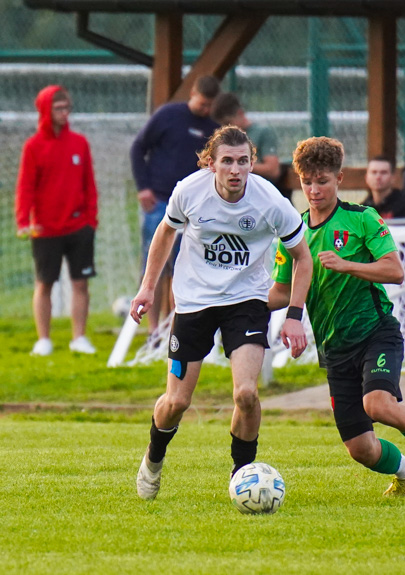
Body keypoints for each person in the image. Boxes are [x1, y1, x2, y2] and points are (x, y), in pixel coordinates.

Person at [270, 136, 405, 497]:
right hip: (335, 349)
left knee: (378, 404)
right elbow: (281, 291)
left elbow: (395, 271)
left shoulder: (362, 218)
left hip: (375, 332)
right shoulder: (294, 233)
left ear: (339, 178)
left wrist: (347, 265)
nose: (314, 190)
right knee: (360, 449)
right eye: (307, 182)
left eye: (322, 181)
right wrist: (237, 308)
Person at [131, 126, 312, 500]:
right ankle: (153, 459)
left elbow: (303, 258)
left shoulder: (270, 201)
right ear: (210, 163)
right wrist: (148, 287)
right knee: (177, 402)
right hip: (194, 301)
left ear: (251, 163)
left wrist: (294, 315)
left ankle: (242, 476)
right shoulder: (189, 191)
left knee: (246, 394)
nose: (235, 170)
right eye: (227, 161)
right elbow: (165, 233)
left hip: (246, 301)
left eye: (243, 161)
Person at [130, 75, 221, 335]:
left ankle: (175, 326)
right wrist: (143, 187)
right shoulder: (168, 115)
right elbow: (138, 148)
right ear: (193, 93)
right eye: (201, 104)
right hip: (158, 202)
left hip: (192, 210)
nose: (204, 110)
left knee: (182, 267)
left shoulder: (213, 129)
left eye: (209, 106)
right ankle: (153, 328)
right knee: (154, 264)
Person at [16, 85, 99, 356]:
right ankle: (44, 340)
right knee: (45, 283)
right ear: (45, 110)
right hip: (45, 228)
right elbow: (25, 187)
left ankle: (79, 337)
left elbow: (89, 184)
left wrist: (90, 221)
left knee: (80, 283)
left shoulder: (80, 143)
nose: (64, 113)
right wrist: (23, 221)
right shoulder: (33, 147)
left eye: (66, 107)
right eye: (58, 108)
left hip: (79, 227)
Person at [211, 92, 282, 187]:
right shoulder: (224, 137)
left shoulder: (263, 132)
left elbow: (273, 170)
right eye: (222, 125)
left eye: (228, 123)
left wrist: (240, 164)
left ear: (240, 113)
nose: (226, 127)